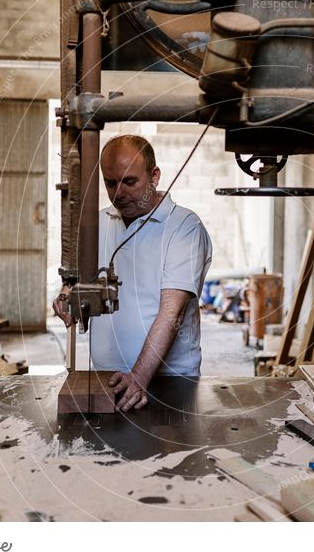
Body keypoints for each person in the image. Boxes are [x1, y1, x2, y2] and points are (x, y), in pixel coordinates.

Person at [53, 135, 212, 412]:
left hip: (169, 382)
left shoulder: (183, 227)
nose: (118, 193)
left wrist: (138, 378)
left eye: (130, 182)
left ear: (155, 176)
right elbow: (77, 283)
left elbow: (171, 312)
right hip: (105, 379)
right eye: (110, 183)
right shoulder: (96, 223)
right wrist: (67, 298)